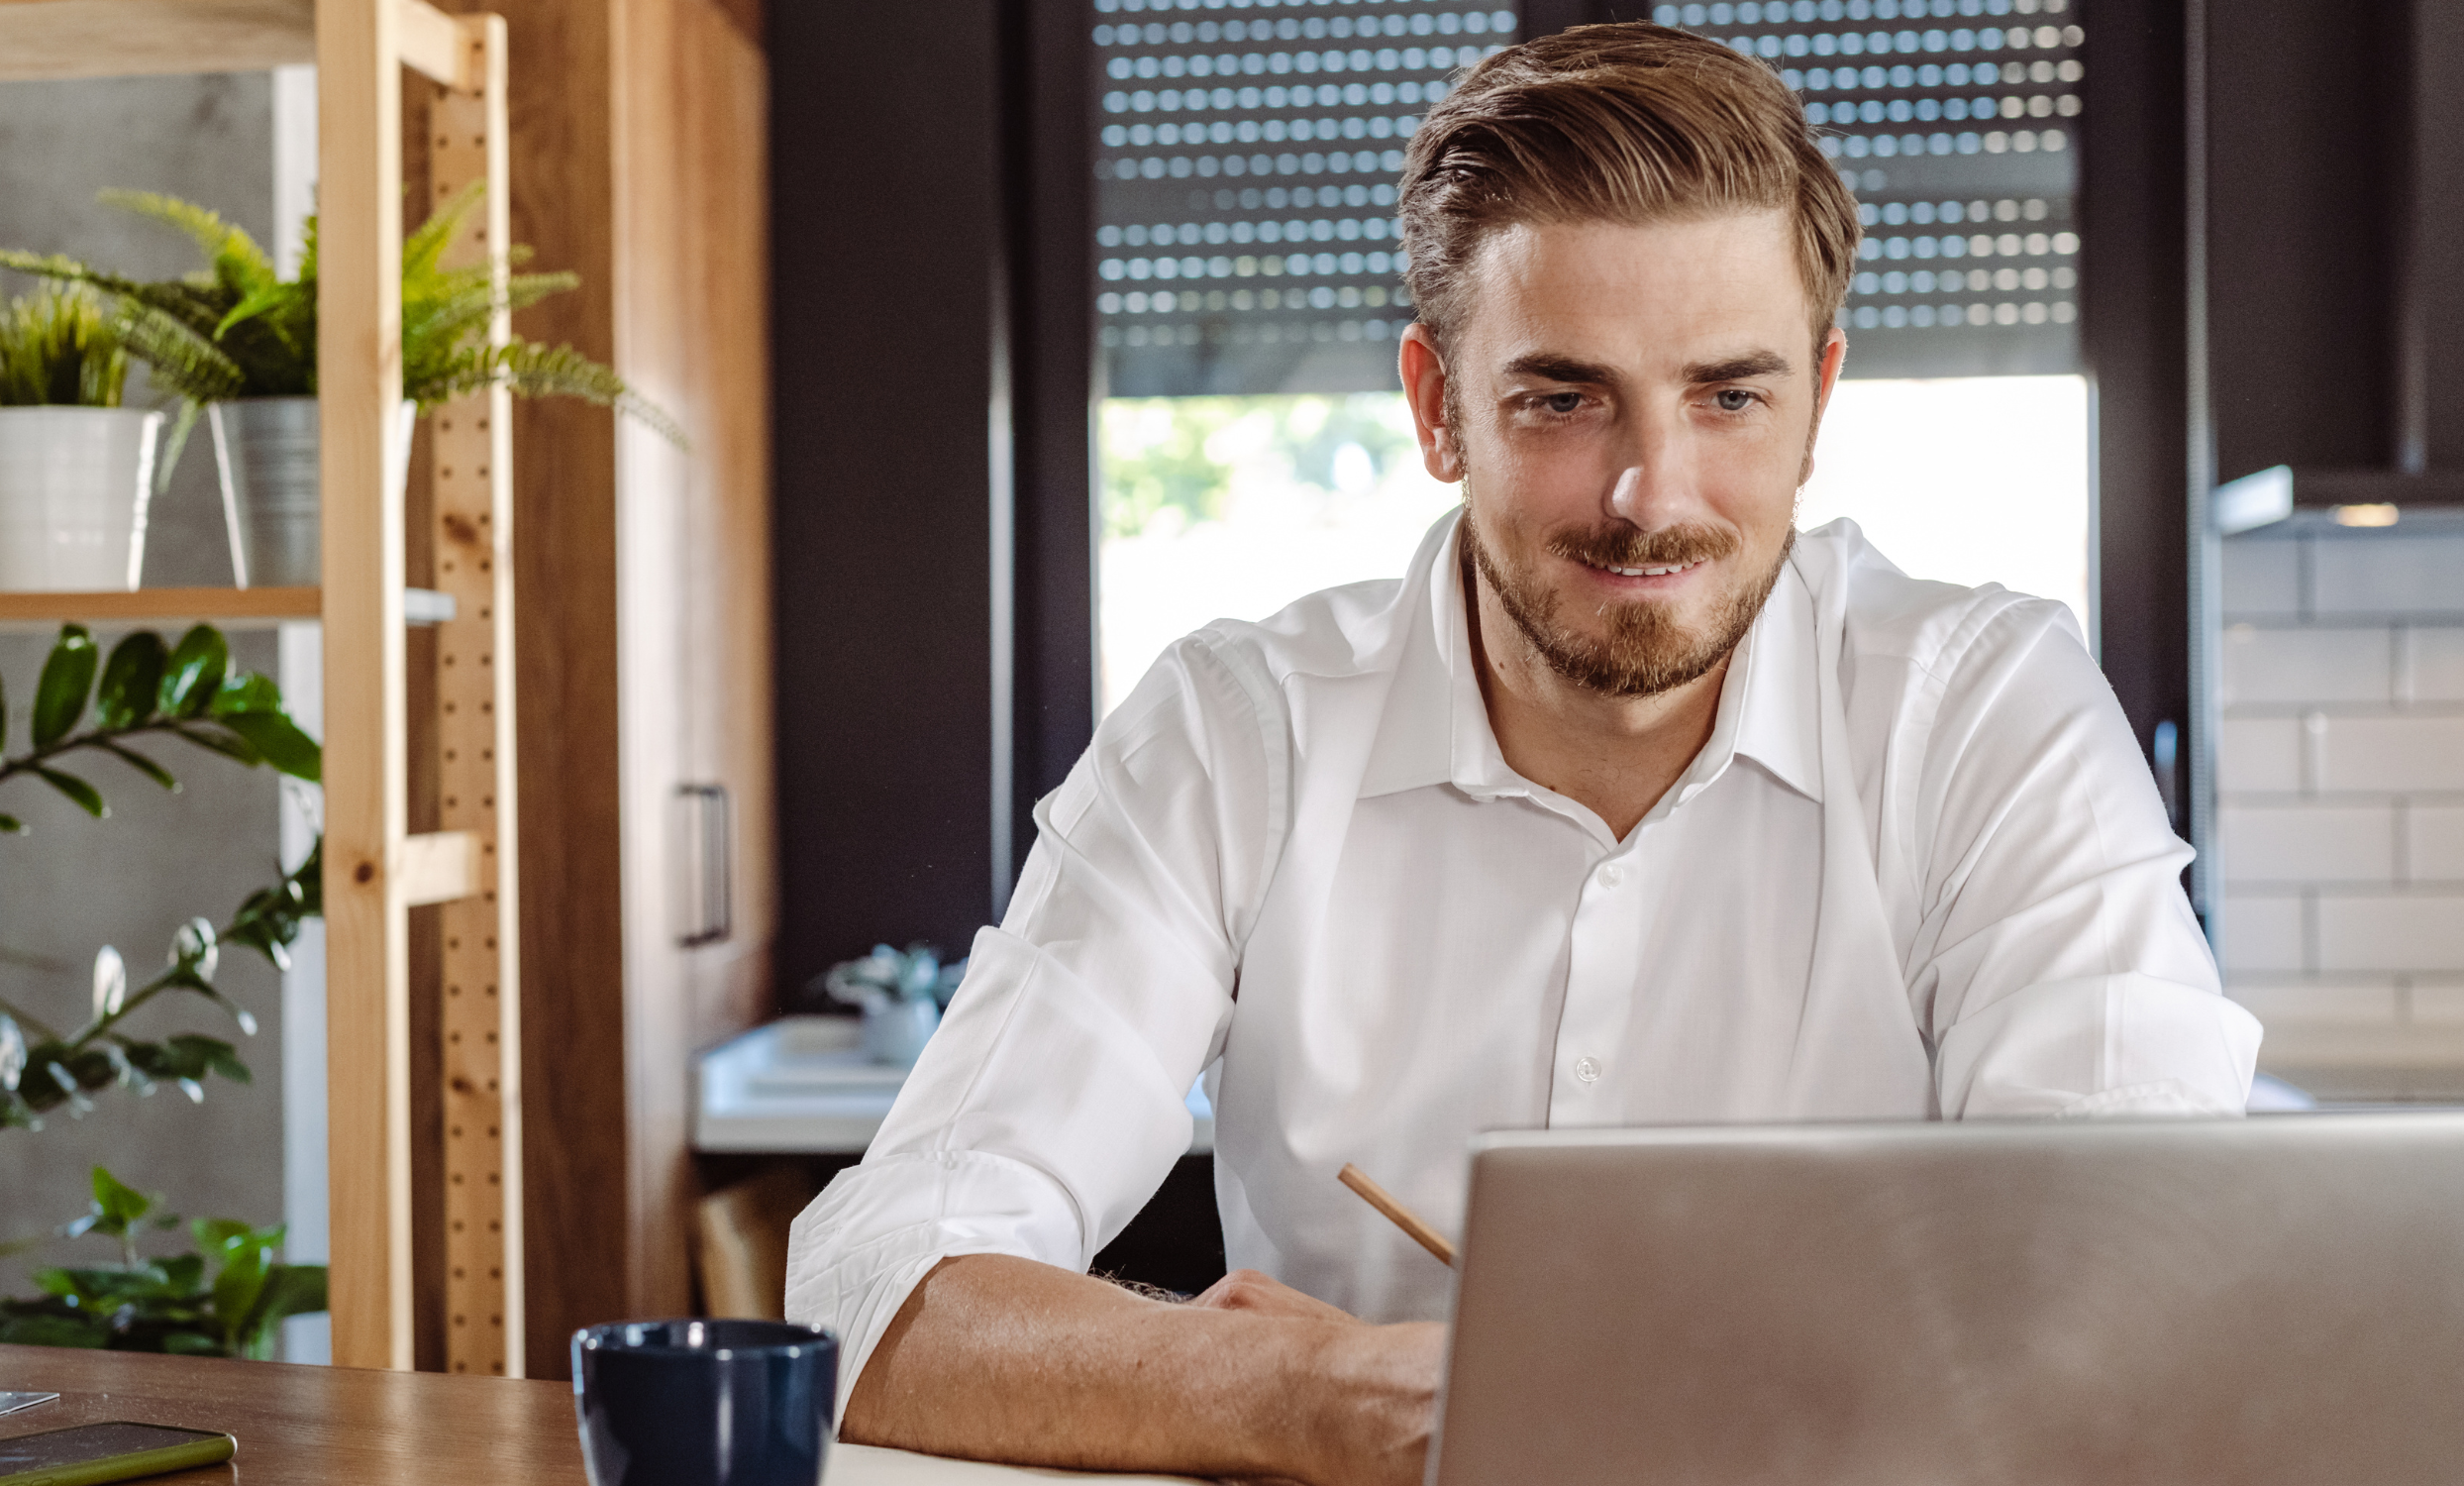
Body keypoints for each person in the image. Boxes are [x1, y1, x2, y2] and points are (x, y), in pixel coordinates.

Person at [787, 22, 2260, 1485]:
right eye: (1562, 398)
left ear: (1817, 403)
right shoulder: (1237, 729)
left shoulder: (1987, 710)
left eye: (1728, 395)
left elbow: (2136, 1295)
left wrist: (1569, 1395)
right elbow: (872, 1296)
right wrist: (1307, 1393)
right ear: (1438, 409)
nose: (1648, 495)